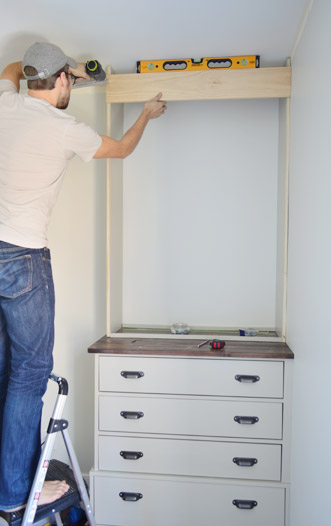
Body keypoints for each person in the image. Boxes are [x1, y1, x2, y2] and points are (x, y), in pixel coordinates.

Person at [0, 42, 166, 516]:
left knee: (5, 370)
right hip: (21, 260)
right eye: (68, 78)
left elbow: (12, 66)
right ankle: (14, 494)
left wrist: (66, 70)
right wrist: (147, 114)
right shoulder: (64, 128)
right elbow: (124, 149)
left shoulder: (7, 103)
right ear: (60, 80)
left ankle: (10, 480)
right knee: (29, 374)